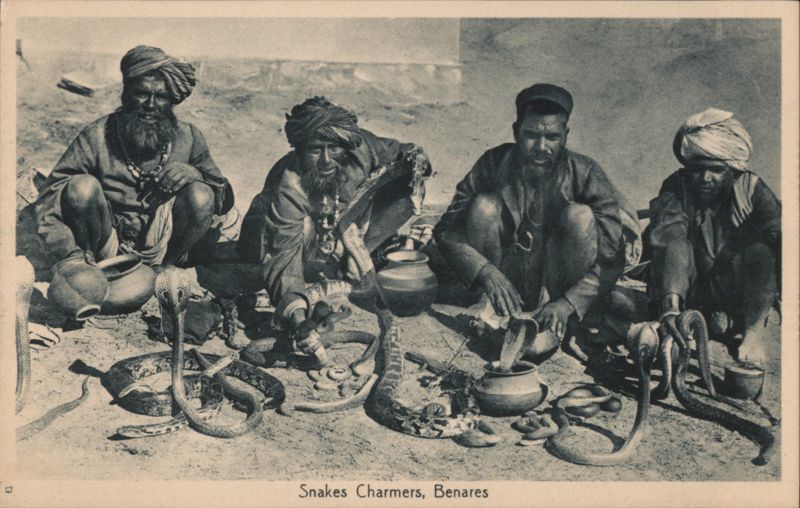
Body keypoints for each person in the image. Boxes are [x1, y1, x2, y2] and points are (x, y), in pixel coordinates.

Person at [433, 83, 640, 357]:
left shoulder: (587, 173)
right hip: (503, 282)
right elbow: (446, 230)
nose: (541, 147)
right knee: (483, 206)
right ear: (516, 132)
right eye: (531, 135)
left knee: (580, 216)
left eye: (552, 137)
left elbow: (612, 257)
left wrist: (567, 303)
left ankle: (563, 322)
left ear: (565, 136)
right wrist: (485, 272)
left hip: (560, 289)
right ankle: (489, 307)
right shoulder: (493, 163)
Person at [237, 96, 431, 357]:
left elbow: (404, 152)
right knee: (304, 228)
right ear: (300, 149)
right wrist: (299, 319)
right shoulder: (290, 186)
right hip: (289, 238)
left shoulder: (363, 149)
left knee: (409, 190)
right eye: (316, 150)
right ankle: (339, 261)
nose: (327, 160)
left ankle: (356, 255)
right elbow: (282, 258)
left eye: (334, 149)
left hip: (339, 227)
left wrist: (418, 162)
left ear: (346, 146)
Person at [36, 45, 234, 276]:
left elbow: (224, 201)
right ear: (126, 93)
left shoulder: (189, 137)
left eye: (160, 97)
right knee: (81, 187)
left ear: (172, 100)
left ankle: (165, 269)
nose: (150, 105)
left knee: (201, 193)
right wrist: (69, 252)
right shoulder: (97, 135)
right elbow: (53, 192)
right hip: (106, 243)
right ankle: (88, 263)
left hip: (163, 245)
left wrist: (196, 174)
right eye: (141, 93)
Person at [649, 107, 780, 366]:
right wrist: (671, 309)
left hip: (735, 288)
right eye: (698, 169)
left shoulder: (752, 189)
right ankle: (673, 317)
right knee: (674, 242)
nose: (705, 178)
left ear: (733, 169)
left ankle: (753, 333)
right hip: (688, 285)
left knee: (763, 251)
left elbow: (778, 232)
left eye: (716, 170)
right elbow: (668, 234)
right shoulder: (677, 185)